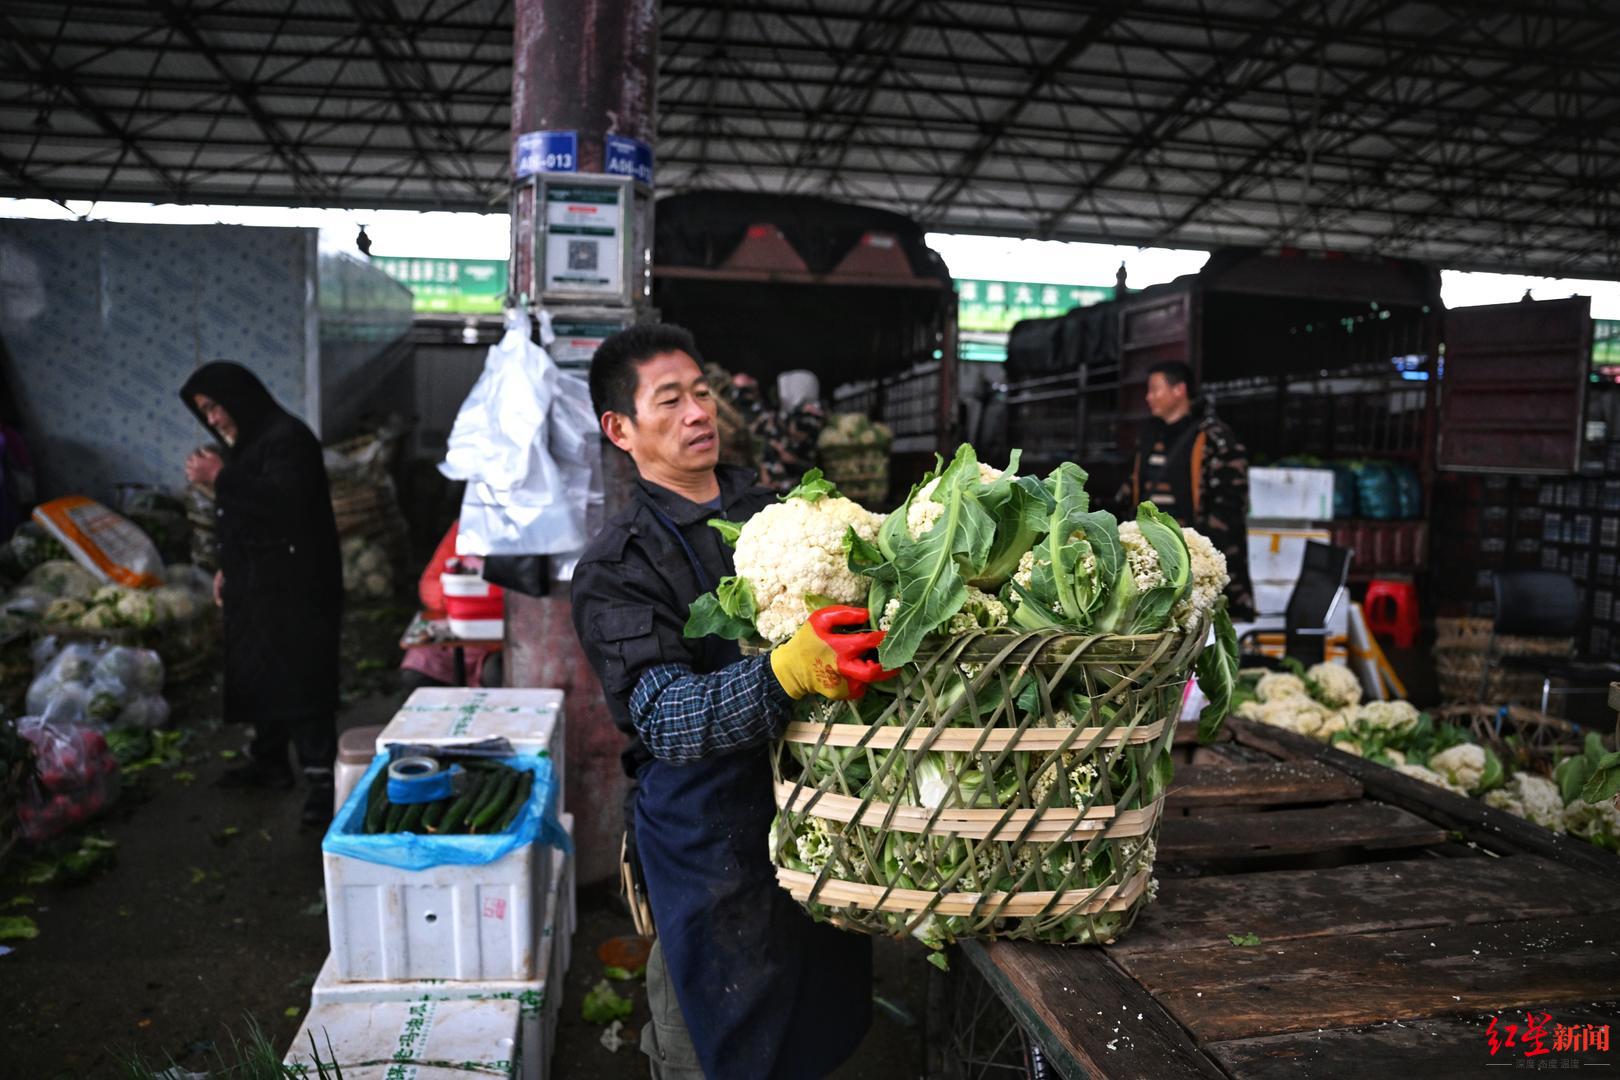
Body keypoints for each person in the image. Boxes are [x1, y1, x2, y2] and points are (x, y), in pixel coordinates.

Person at [571, 324, 881, 1080]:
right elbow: (664, 716)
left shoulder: (776, 508)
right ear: (621, 429)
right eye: (669, 400)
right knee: (711, 1048)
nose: (696, 412)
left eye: (702, 393)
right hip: (710, 845)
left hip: (818, 817)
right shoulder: (619, 564)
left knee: (819, 1030)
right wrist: (787, 672)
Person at [180, 362, 343, 826]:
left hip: (297, 586)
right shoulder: (252, 443)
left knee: (301, 681)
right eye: (204, 412)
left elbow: (285, 503)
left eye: (215, 407)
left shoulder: (288, 439)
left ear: (240, 397)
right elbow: (246, 518)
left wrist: (221, 478)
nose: (212, 419)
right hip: (257, 582)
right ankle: (269, 762)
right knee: (261, 669)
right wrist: (226, 569)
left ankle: (323, 783)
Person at [1121, 361, 1255, 619]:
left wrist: (1199, 558)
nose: (1149, 397)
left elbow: (1229, 508)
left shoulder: (1215, 438)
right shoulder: (1149, 435)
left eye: (1154, 389)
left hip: (1193, 558)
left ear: (1179, 390)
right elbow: (1131, 490)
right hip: (1153, 557)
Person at [753, 369, 826, 494]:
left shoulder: (808, 417)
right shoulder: (785, 415)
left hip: (795, 485)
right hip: (776, 482)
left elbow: (808, 455)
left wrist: (792, 460)